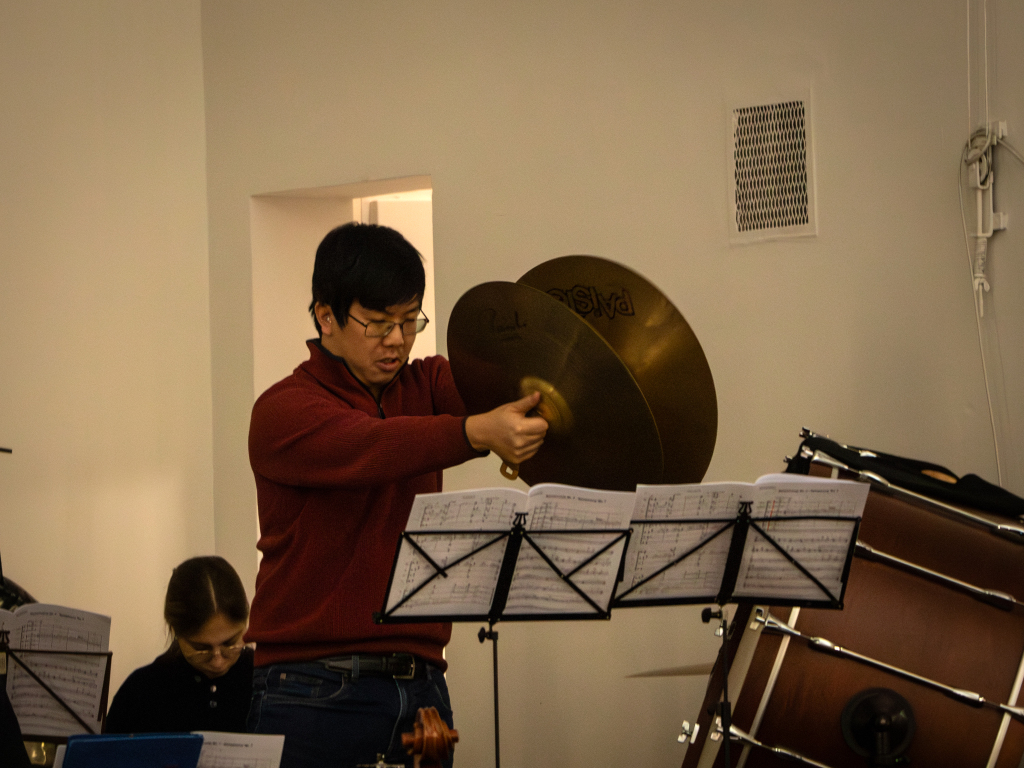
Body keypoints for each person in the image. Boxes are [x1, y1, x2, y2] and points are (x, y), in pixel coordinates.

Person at [245, 222, 548, 768]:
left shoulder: (426, 384)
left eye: (410, 322)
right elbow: (371, 447)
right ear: (325, 317)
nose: (398, 341)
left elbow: (513, 390)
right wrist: (475, 431)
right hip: (312, 690)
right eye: (379, 324)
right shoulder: (282, 410)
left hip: (424, 691)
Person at [104, 556, 253, 734]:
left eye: (230, 644)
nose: (217, 661)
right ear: (175, 632)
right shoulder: (141, 691)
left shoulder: (267, 682)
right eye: (201, 649)